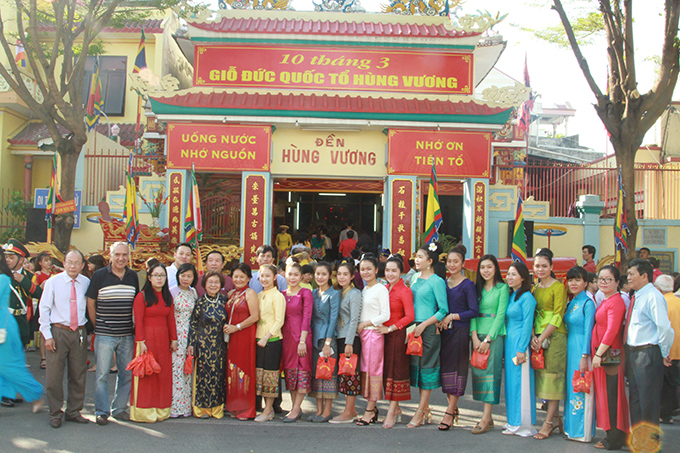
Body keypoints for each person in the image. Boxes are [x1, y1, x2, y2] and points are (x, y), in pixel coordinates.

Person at [86, 241, 139, 425]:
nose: (121, 258)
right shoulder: (100, 275)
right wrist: (98, 326)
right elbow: (91, 303)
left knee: (126, 374)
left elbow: (135, 305)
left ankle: (119, 409)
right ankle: (101, 410)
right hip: (104, 334)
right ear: (110, 255)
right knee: (101, 374)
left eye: (124, 255)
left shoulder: (133, 276)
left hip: (127, 334)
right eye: (117, 254)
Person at [38, 250, 90, 428]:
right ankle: (54, 412)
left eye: (77, 263)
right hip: (58, 331)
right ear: (64, 263)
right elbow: (43, 309)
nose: (73, 266)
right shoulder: (53, 282)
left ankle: (74, 411)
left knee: (78, 374)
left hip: (79, 333)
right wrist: (47, 336)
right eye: (69, 262)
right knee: (54, 375)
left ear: (82, 265)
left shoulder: (86, 282)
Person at [625, 260, 674, 436]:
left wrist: (664, 352)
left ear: (644, 275)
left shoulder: (653, 295)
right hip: (634, 353)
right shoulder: (638, 295)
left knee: (648, 402)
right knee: (636, 400)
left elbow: (665, 327)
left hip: (648, 352)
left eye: (632, 274)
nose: (628, 277)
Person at [130, 263, 178, 423]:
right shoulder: (141, 296)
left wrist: (174, 339)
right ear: (149, 278)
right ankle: (144, 411)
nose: (159, 278)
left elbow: (170, 319)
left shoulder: (167, 297)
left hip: (163, 340)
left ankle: (162, 409)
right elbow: (139, 321)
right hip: (146, 340)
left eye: (162, 275)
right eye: (156, 275)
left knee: (163, 374)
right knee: (147, 374)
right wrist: (141, 341)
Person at [407, 242, 448, 428]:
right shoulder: (414, 278)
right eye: (416, 256)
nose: (417, 260)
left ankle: (420, 411)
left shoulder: (437, 281)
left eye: (421, 257)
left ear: (430, 261)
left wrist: (424, 324)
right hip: (413, 328)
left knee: (427, 369)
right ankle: (426, 409)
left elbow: (443, 310)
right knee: (415, 369)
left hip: (428, 329)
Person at [438, 245, 479, 431]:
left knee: (457, 371)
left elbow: (474, 311)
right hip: (444, 333)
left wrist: (453, 316)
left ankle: (449, 411)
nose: (452, 265)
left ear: (463, 263)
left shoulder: (468, 285)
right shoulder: (443, 283)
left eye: (456, 261)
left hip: (460, 332)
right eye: (450, 261)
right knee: (446, 371)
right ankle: (452, 408)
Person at [0, 249, 44, 414]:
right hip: (6, 323)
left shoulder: (4, 279)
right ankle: (6, 394)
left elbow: (37, 293)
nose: (9, 259)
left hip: (3, 327)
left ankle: (36, 393)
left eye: (12, 257)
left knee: (9, 366)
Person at [592, 265, 630, 450]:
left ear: (617, 282)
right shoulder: (607, 299)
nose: (603, 282)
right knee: (607, 395)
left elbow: (612, 330)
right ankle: (614, 435)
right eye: (600, 279)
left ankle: (614, 438)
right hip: (606, 355)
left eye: (608, 279)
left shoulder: (615, 301)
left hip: (609, 356)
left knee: (611, 396)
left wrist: (599, 353)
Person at [470, 254, 508, 435]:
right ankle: (488, 417)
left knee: (491, 374)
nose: (485, 271)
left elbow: (500, 316)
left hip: (494, 336)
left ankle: (486, 417)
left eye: (489, 267)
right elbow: (473, 313)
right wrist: (475, 337)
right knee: (479, 373)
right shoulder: (477, 289)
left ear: (496, 269)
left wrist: (488, 339)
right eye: (482, 267)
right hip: (478, 335)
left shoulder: (502, 288)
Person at [531, 248, 567, 439]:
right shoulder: (535, 288)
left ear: (552, 267)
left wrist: (542, 337)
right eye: (537, 266)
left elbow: (558, 315)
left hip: (554, 337)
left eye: (544, 266)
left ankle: (548, 423)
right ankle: (556, 418)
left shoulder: (558, 287)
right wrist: (533, 336)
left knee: (553, 379)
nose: (541, 269)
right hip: (537, 336)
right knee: (543, 377)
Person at [379, 255, 414, 428]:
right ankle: (396, 408)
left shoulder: (404, 290)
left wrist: (391, 328)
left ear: (401, 272)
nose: (390, 274)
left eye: (394, 270)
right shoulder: (384, 288)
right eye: (387, 270)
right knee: (387, 373)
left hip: (397, 336)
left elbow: (410, 316)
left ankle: (391, 411)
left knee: (396, 373)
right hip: (383, 336)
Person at [503, 261, 538, 437]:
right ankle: (513, 421)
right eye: (508, 274)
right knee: (511, 383)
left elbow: (527, 325)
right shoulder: (512, 295)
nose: (509, 277)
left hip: (519, 343)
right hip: (509, 342)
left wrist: (521, 349)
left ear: (523, 278)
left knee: (521, 383)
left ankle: (523, 425)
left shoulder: (527, 298)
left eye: (514, 274)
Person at [187, 271, 228, 419]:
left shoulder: (225, 300)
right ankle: (201, 409)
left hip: (220, 345)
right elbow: (193, 324)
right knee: (203, 376)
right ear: (204, 284)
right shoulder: (200, 302)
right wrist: (191, 344)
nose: (213, 285)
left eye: (216, 282)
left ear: (221, 285)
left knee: (218, 376)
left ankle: (217, 408)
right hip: (203, 345)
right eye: (210, 282)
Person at [355, 255, 390, 426]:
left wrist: (365, 323)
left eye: (369, 268)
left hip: (374, 334)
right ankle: (371, 407)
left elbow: (386, 315)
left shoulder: (381, 289)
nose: (366, 272)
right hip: (363, 335)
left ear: (376, 270)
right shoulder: (365, 289)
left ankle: (370, 409)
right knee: (365, 370)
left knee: (374, 371)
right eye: (362, 269)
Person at [563, 266, 596, 442]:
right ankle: (571, 428)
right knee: (572, 387)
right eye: (570, 280)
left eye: (577, 280)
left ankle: (582, 432)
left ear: (585, 282)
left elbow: (589, 331)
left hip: (582, 350)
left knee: (581, 388)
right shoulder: (573, 302)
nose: (573, 283)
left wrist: (585, 355)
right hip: (570, 348)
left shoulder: (588, 303)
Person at [223, 263, 259, 420]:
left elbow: (254, 317)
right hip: (232, 337)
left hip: (244, 335)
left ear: (248, 278)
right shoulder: (232, 293)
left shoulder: (250, 293)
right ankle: (235, 406)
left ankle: (246, 408)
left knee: (244, 370)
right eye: (235, 276)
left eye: (242, 277)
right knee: (233, 370)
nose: (238, 279)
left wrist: (236, 327)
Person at [330, 259, 362, 424]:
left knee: (351, 374)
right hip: (340, 337)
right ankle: (353, 410)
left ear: (351, 276)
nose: (341, 277)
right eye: (339, 274)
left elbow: (354, 319)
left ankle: (348, 412)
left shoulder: (354, 293)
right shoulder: (339, 292)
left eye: (345, 274)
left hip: (350, 339)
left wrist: (349, 342)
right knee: (345, 373)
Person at [254, 264, 286, 422]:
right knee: (260, 374)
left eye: (267, 276)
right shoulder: (258, 295)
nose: (264, 279)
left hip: (272, 340)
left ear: (275, 277)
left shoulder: (278, 296)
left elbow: (279, 320)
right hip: (258, 339)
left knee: (270, 376)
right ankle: (262, 407)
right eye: (262, 276)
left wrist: (267, 337)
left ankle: (268, 410)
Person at [309, 262, 341, 422]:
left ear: (329, 276)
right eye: (317, 274)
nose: (320, 277)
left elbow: (333, 319)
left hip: (328, 338)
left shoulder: (334, 294)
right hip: (314, 337)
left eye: (323, 274)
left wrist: (328, 343)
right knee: (317, 373)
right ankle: (318, 410)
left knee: (328, 374)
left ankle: (327, 411)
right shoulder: (313, 293)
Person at [281, 262, 312, 422]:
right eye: (290, 274)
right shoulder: (282, 294)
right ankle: (295, 407)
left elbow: (307, 317)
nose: (292, 277)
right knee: (290, 372)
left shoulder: (305, 293)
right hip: (286, 338)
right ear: (285, 275)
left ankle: (295, 408)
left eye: (295, 275)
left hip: (301, 337)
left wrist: (302, 340)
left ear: (301, 277)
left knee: (301, 371)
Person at [169, 263, 198, 419]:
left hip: (190, 335)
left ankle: (186, 406)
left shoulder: (193, 293)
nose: (186, 279)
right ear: (178, 275)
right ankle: (175, 406)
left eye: (189, 276)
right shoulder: (172, 292)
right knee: (176, 371)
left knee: (188, 371)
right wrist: (172, 338)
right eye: (183, 275)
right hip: (176, 335)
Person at [653, 274, 680, 424]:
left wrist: (664, 351)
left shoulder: (662, 302)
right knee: (673, 384)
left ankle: (664, 413)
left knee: (664, 385)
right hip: (678, 350)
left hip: (666, 351)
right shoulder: (678, 301)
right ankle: (670, 413)